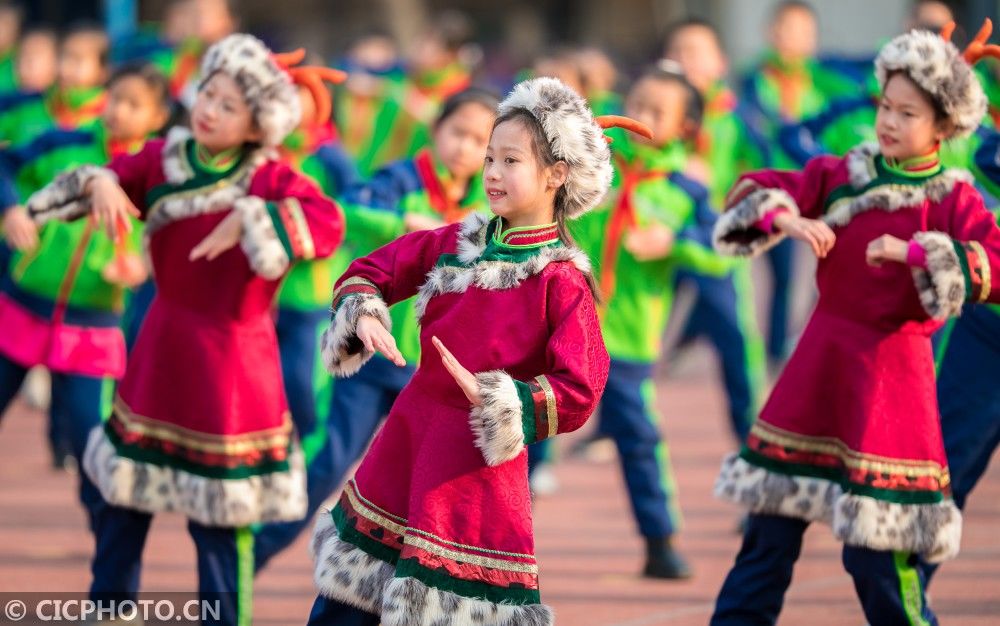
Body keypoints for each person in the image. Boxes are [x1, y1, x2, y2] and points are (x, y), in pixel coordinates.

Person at [710, 22, 1000, 626]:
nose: (889, 122)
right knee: (767, 536)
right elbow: (758, 188)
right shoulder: (845, 173)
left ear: (944, 125)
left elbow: (994, 261)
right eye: (885, 107)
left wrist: (917, 251)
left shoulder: (955, 199)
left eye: (908, 113)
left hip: (892, 388)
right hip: (816, 373)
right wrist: (786, 219)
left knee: (877, 559)